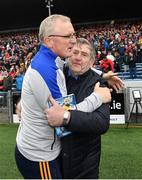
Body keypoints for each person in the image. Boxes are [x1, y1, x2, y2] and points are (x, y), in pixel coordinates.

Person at [15, 14, 112, 179]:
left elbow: (101, 123)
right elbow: (61, 116)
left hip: (79, 164)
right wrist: (97, 98)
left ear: (91, 62)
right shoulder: (51, 70)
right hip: (42, 155)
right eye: (68, 36)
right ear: (50, 41)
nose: (73, 40)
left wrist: (102, 75)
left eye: (73, 35)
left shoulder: (56, 62)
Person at [45, 38, 112, 179]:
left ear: (92, 62)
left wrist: (66, 117)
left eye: (84, 54)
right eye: (75, 52)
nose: (78, 58)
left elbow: (101, 122)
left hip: (84, 165)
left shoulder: (99, 83)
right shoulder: (57, 75)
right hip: (55, 158)